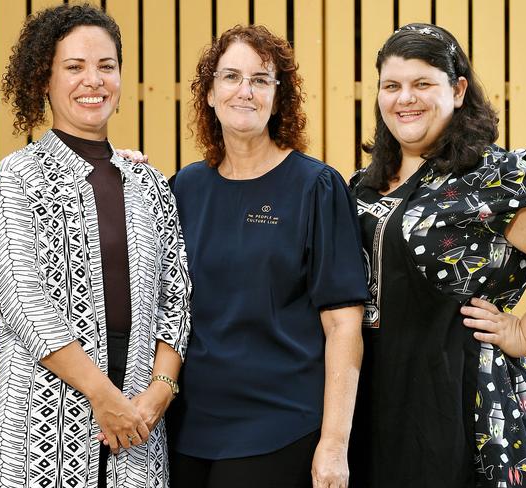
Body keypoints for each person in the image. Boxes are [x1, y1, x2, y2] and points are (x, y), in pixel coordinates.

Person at [348, 23, 526, 488]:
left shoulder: (494, 176)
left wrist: (525, 333)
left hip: (458, 400)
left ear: (458, 89)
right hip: (368, 398)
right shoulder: (360, 184)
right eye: (392, 86)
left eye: (422, 83)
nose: (405, 98)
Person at [0, 4, 191, 487]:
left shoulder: (148, 184)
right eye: (74, 67)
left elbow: (175, 300)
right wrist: (103, 397)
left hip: (137, 428)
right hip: (36, 425)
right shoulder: (16, 178)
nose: (92, 80)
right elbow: (23, 304)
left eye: (105, 67)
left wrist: (159, 391)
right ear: (43, 81)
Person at [166, 24, 368, 488]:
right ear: (211, 93)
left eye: (261, 80)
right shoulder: (183, 188)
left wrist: (334, 443)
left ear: (279, 97)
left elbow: (343, 324)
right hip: (186, 429)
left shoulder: (315, 187)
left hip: (280, 426)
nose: (245, 91)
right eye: (231, 77)